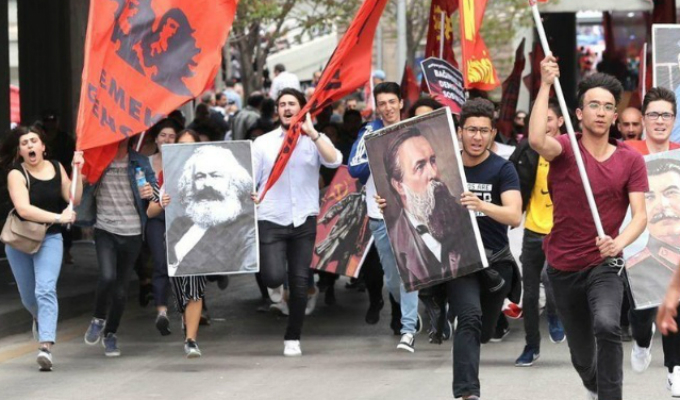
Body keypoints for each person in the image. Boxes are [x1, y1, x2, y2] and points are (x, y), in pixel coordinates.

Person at [529, 55, 648, 400]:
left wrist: (618, 243)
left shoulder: (630, 160)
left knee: (608, 324)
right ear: (579, 114)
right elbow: (536, 140)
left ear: (615, 117)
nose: (601, 112)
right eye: (593, 105)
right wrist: (545, 83)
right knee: (582, 357)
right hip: (563, 267)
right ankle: (595, 386)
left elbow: (640, 215)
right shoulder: (565, 149)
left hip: (605, 263)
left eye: (608, 107)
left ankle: (610, 396)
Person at [253, 88, 342, 356]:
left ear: (302, 109)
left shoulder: (314, 140)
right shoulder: (263, 143)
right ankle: (276, 290)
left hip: (304, 218)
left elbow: (335, 160)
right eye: (282, 104)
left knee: (301, 281)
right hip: (271, 217)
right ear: (277, 111)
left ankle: (293, 337)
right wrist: (251, 192)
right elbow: (250, 178)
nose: (287, 108)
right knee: (272, 276)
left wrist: (313, 134)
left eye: (292, 104)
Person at [447, 98, 522, 400]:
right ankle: (468, 393)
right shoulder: (446, 167)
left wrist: (481, 205)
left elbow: (514, 215)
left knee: (485, 330)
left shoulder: (503, 169)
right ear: (460, 132)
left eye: (483, 131)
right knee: (469, 318)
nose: (477, 137)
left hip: (495, 264)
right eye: (471, 130)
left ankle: (491, 318)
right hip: (461, 260)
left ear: (492, 133)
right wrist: (387, 206)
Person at [0, 125, 83, 371]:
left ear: (43, 146)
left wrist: (78, 170)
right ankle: (38, 317)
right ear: (20, 151)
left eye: (34, 141)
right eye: (24, 143)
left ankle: (45, 346)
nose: (30, 146)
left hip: (50, 238)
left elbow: (74, 198)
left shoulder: (56, 167)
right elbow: (24, 209)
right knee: (29, 297)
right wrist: (58, 217)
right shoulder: (16, 173)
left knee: (45, 289)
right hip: (21, 239)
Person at [349, 82, 422, 353]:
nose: (388, 108)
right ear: (377, 107)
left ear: (401, 103)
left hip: (412, 213)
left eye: (392, 102)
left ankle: (408, 329)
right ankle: (410, 311)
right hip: (380, 215)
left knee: (409, 272)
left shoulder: (415, 129)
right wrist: (379, 147)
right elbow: (355, 169)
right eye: (382, 104)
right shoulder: (370, 132)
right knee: (392, 279)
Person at [623, 87, 680, 396]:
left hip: (675, 244)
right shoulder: (627, 152)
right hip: (637, 245)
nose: (660, 121)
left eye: (666, 115)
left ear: (674, 119)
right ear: (643, 119)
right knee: (642, 312)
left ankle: (675, 369)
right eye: (654, 114)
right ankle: (642, 341)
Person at [81, 138, 157, 357]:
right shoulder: (98, 159)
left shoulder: (140, 161)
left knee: (121, 290)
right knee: (107, 277)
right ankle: (98, 319)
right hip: (105, 229)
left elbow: (155, 193)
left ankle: (110, 334)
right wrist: (80, 167)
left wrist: (150, 193)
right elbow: (82, 182)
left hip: (132, 231)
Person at [382, 128, 481, 288]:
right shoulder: (393, 240)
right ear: (399, 186)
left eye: (432, 161)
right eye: (420, 166)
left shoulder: (464, 218)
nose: (433, 173)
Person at [509, 98, 567, 368]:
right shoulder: (527, 148)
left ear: (560, 122)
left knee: (552, 279)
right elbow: (509, 176)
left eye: (549, 120)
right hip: (533, 231)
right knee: (530, 295)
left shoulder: (570, 149)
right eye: (539, 121)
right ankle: (531, 346)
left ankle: (555, 313)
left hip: (562, 231)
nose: (544, 126)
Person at [146, 128, 205, 358]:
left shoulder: (210, 172)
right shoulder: (166, 175)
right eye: (182, 146)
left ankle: (191, 340)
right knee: (182, 292)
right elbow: (151, 211)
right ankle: (185, 318)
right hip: (175, 239)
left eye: (191, 146)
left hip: (200, 238)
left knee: (195, 291)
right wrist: (162, 201)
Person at [167, 145, 257, 275]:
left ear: (233, 182)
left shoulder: (247, 229)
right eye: (200, 176)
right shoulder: (179, 224)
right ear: (191, 183)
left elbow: (244, 274)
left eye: (215, 176)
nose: (207, 184)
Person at [146, 119, 179, 336]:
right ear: (156, 139)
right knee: (160, 263)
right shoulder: (146, 162)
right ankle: (161, 311)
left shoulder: (182, 161)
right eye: (163, 135)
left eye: (171, 136)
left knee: (184, 264)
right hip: (155, 217)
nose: (167, 140)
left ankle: (196, 306)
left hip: (179, 218)